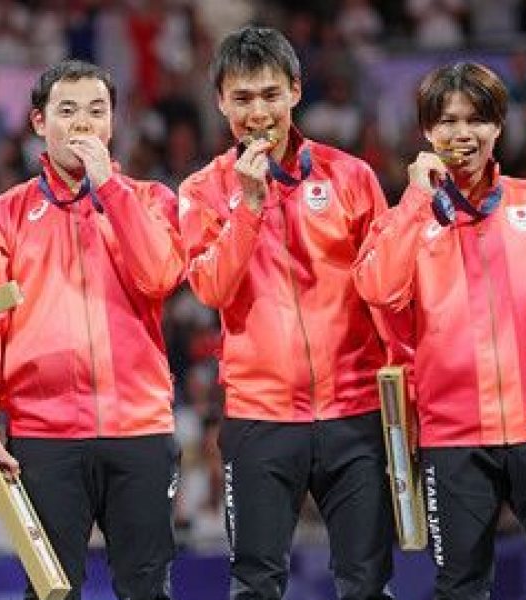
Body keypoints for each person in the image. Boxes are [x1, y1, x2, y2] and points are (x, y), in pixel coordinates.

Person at [352, 62, 526, 599]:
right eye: (447, 121)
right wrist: (414, 203)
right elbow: (378, 290)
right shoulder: (408, 218)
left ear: (498, 126)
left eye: (476, 119)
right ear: (428, 132)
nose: (462, 134)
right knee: (460, 588)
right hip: (453, 439)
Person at [178, 26, 398, 600]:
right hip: (260, 415)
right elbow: (210, 288)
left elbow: (388, 294)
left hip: (356, 410)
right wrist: (249, 206)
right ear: (221, 101)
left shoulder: (351, 177)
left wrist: (407, 394)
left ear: (296, 91)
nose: (258, 112)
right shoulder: (202, 191)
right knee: (255, 586)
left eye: (271, 94)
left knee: (368, 583)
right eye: (243, 98)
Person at [0, 59, 184, 600]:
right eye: (67, 111)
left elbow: (160, 276)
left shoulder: (151, 200)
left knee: (148, 590)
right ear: (39, 122)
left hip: (140, 432)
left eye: (96, 111)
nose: (82, 124)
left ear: (112, 124)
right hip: (44, 437)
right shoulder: (0, 216)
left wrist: (111, 189)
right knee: (51, 593)